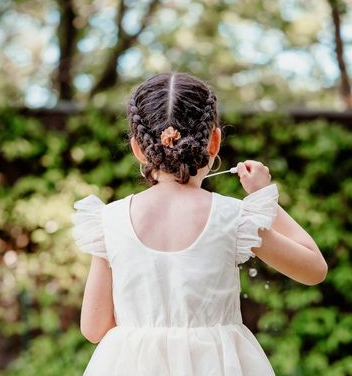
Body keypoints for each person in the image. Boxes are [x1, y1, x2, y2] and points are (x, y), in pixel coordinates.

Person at [72, 72, 328, 375]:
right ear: (215, 141)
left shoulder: (109, 221)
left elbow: (94, 327)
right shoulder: (234, 218)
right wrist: (263, 198)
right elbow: (314, 268)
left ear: (138, 148)